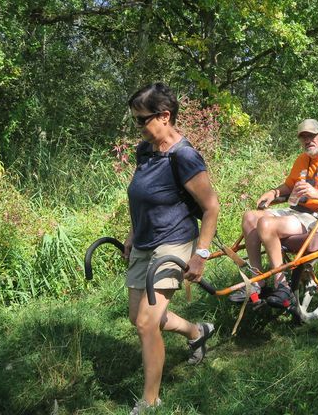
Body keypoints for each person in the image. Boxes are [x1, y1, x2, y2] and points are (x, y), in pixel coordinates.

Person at [124, 83, 220, 414]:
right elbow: (140, 196)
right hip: (145, 241)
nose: (138, 126)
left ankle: (150, 401)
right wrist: (132, 233)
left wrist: (201, 254)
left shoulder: (185, 156)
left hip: (175, 242)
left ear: (165, 116)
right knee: (137, 316)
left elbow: (211, 207)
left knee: (146, 324)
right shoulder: (145, 150)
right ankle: (197, 331)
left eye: (142, 120)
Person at [230, 119, 318, 306]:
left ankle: (282, 286)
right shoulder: (302, 160)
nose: (308, 140)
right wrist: (274, 193)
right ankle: (257, 280)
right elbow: (289, 186)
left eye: (312, 135)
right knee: (250, 217)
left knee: (265, 224)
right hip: (297, 211)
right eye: (304, 137)